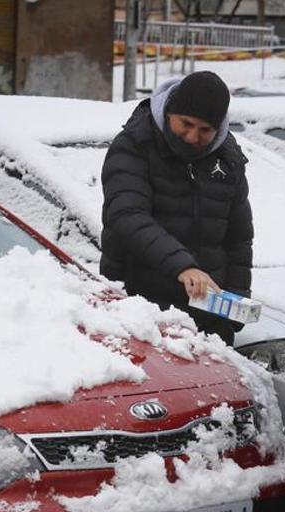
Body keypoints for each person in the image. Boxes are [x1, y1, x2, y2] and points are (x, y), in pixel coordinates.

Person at [100, 71, 252, 344]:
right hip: (140, 312)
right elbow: (127, 216)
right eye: (186, 124)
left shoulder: (228, 160)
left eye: (205, 130)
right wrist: (184, 266)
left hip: (207, 319)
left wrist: (235, 306)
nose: (193, 137)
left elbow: (238, 238)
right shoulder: (135, 145)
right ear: (170, 111)